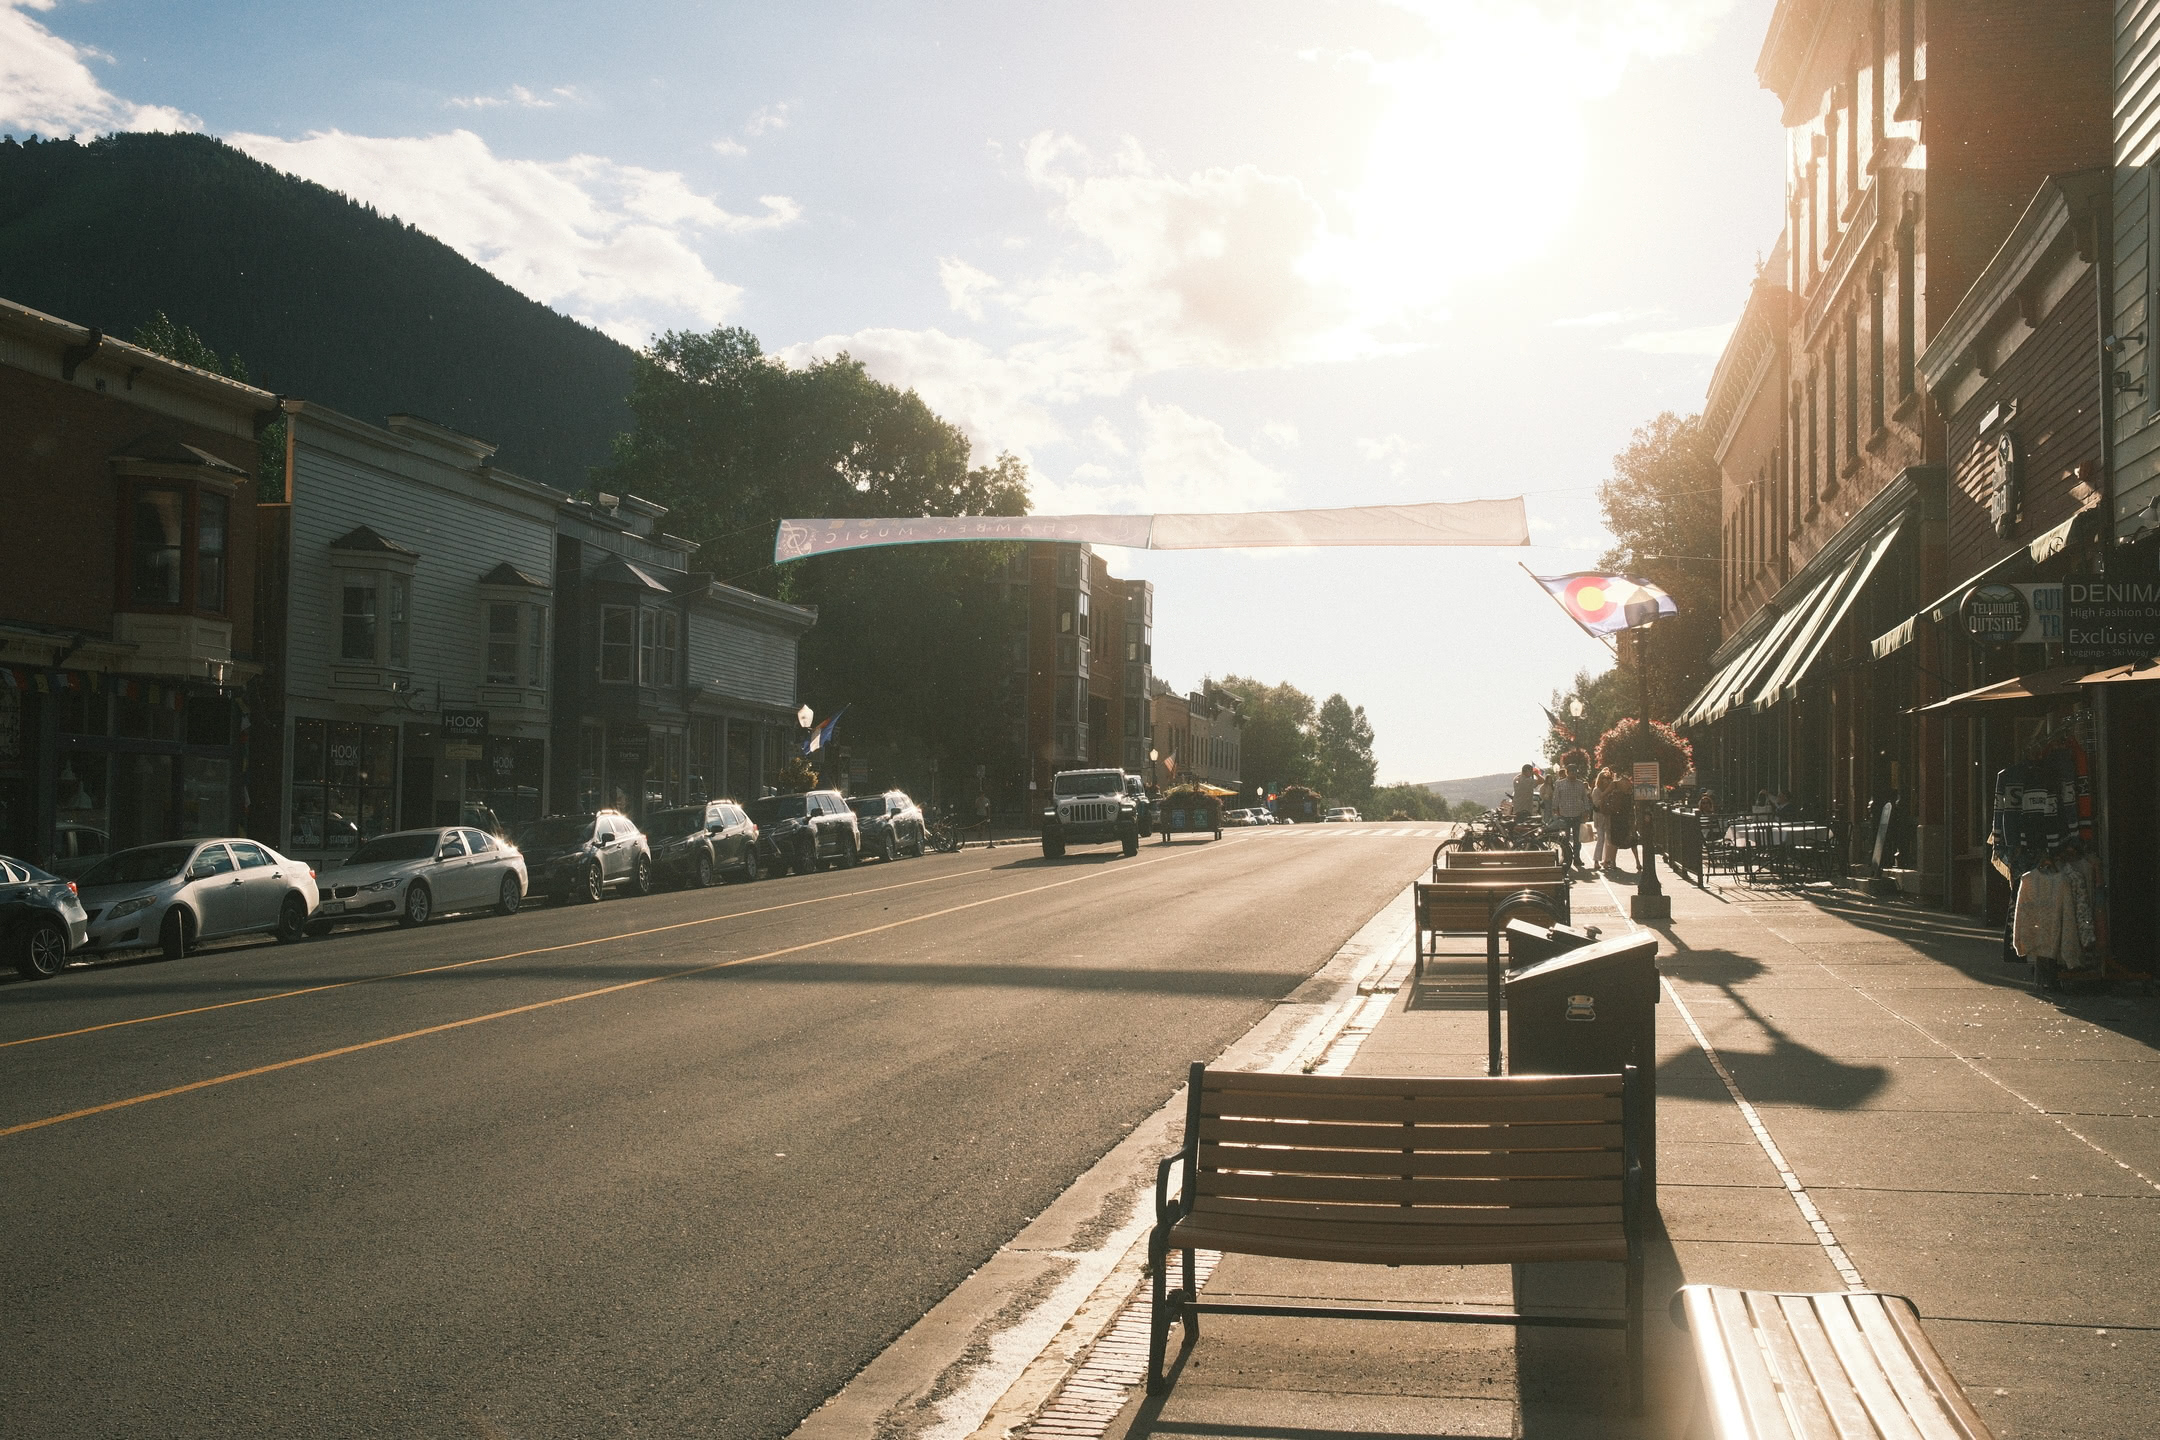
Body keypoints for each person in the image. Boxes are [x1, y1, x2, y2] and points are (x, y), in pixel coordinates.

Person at [1550, 764, 1591, 871]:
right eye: (1571, 771)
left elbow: (1585, 798)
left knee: (1578, 839)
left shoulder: (1580, 784)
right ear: (1567, 772)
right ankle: (1566, 858)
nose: (1573, 773)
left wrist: (1586, 811)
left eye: (1574, 771)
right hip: (1564, 815)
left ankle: (1577, 858)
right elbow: (1556, 798)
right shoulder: (1559, 784)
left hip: (1577, 814)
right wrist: (1555, 809)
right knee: (1565, 839)